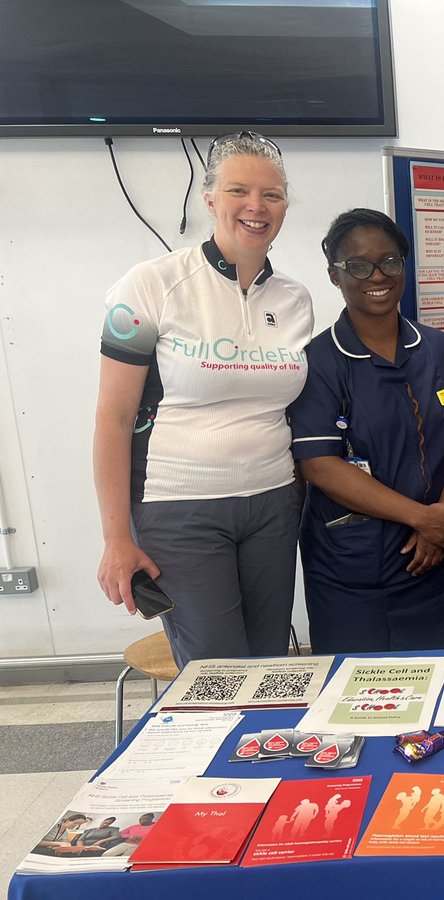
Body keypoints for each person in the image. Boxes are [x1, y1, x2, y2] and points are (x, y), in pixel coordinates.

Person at [94, 131, 313, 668]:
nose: (257, 207)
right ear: (210, 198)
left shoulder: (295, 298)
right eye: (239, 190)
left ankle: (262, 754)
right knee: (215, 672)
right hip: (178, 506)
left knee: (265, 665)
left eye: (273, 194)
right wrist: (116, 537)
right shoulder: (149, 285)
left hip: (273, 503)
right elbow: (113, 418)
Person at [289, 209, 444, 652]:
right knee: (362, 697)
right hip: (356, 576)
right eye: (357, 265)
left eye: (390, 262)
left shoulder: (437, 349)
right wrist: (422, 519)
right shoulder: (319, 362)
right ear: (334, 275)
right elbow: (319, 465)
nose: (377, 275)